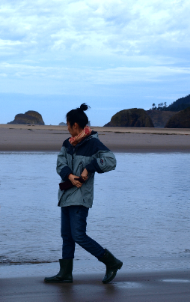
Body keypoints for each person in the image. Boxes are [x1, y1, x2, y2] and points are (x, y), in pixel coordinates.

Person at [44, 104, 123, 284]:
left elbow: (111, 161)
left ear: (75, 126)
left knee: (78, 235)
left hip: (81, 196)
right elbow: (60, 163)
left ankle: (111, 262)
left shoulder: (93, 143)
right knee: (67, 236)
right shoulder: (67, 143)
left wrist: (90, 167)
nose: (67, 127)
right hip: (65, 195)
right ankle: (65, 274)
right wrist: (70, 176)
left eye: (68, 124)